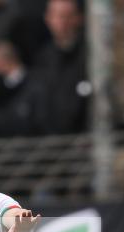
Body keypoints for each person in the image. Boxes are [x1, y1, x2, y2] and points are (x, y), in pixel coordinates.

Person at [34, 0, 89, 134]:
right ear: (47, 19)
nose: (62, 23)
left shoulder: (87, 55)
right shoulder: (44, 56)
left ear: (78, 19)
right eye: (57, 16)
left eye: (66, 16)